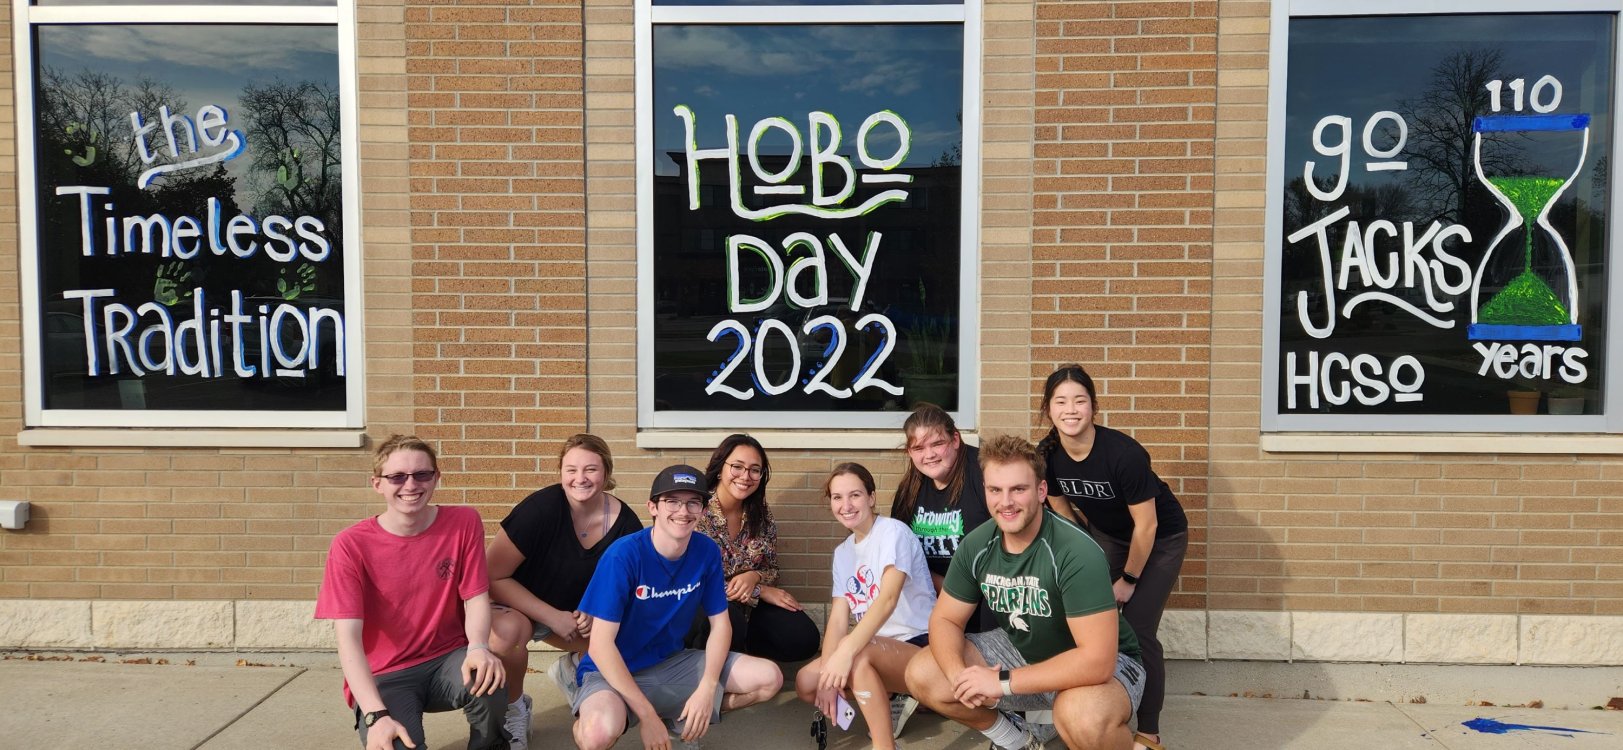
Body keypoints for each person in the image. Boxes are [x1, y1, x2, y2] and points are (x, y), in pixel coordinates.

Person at [904, 434, 1144, 750]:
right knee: (924, 672)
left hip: (1107, 664)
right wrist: (960, 677)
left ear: (1041, 491)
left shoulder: (1075, 551)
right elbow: (945, 620)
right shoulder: (977, 544)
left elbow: (1096, 660)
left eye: (1018, 489)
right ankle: (1020, 741)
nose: (1006, 502)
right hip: (1024, 650)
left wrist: (1001, 683)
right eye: (995, 490)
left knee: (1080, 716)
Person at [315, 435, 508, 750]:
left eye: (422, 474)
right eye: (397, 477)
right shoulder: (350, 545)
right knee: (397, 743)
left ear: (436, 478)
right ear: (377, 484)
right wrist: (376, 715)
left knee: (488, 678)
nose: (411, 485)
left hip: (447, 658)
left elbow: (475, 597)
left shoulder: (463, 522)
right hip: (386, 674)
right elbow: (348, 639)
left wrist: (478, 647)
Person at [571, 464, 783, 750]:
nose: (683, 512)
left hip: (671, 662)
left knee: (769, 679)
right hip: (612, 669)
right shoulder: (623, 556)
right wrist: (647, 717)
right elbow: (599, 645)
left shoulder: (705, 551)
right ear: (653, 507)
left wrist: (707, 690)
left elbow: (721, 625)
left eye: (693, 502)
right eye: (672, 501)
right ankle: (586, 697)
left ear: (702, 510)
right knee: (598, 733)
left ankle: (677, 715)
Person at [1038, 364, 1188, 750]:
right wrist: (1085, 550)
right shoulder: (1048, 454)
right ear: (1048, 408)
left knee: (1138, 629)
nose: (1071, 410)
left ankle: (1149, 731)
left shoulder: (1124, 454)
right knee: (1086, 618)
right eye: (1061, 401)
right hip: (1108, 536)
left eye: (1080, 401)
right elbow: (1060, 510)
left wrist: (1128, 581)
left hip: (1161, 538)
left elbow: (1147, 527)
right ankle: (1089, 703)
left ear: (1093, 407)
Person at [485, 433, 644, 749]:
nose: (580, 478)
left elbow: (631, 589)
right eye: (571, 469)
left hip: (576, 619)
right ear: (560, 473)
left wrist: (597, 609)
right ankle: (516, 711)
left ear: (607, 473)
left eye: (591, 469)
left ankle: (573, 671)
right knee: (505, 633)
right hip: (521, 607)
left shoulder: (626, 524)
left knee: (623, 640)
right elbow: (491, 576)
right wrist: (551, 616)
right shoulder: (540, 510)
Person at [795, 463, 937, 747]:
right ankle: (891, 697)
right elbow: (837, 619)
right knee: (806, 682)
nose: (846, 505)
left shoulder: (892, 533)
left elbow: (887, 600)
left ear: (871, 497)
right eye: (837, 497)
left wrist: (845, 652)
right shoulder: (843, 552)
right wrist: (828, 677)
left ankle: (885, 744)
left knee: (858, 656)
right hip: (876, 646)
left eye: (855, 495)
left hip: (920, 643)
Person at [689, 433, 820, 662]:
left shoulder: (760, 513)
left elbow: (772, 570)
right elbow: (692, 580)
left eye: (754, 470)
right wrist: (761, 591)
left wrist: (755, 576)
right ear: (720, 468)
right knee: (729, 619)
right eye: (737, 467)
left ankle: (746, 651)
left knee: (802, 637)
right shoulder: (696, 510)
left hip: (750, 610)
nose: (745, 476)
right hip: (703, 606)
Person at [889, 403, 991, 594]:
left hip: (985, 597)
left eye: (937, 444)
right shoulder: (909, 489)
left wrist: (960, 595)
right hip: (932, 598)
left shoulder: (983, 472)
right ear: (909, 452)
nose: (929, 455)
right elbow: (900, 554)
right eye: (918, 448)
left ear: (955, 440)